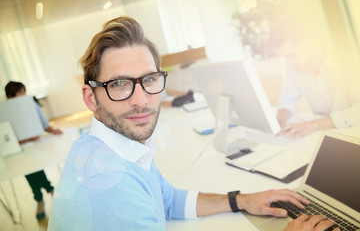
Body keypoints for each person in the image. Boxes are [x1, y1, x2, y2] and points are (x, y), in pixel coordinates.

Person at [48, 16, 338, 231]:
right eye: (120, 84)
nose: (140, 100)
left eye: (149, 79)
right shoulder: (108, 186)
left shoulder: (113, 148)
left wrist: (242, 200)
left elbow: (169, 200)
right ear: (90, 98)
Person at [268, 15, 360, 139]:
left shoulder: (349, 59)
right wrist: (281, 117)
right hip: (330, 135)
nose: (289, 63)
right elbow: (288, 97)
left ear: (310, 43)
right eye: (285, 58)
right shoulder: (294, 66)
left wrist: (312, 125)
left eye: (292, 55)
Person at [5, 81, 63, 220]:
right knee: (28, 170)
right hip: (17, 147)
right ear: (10, 95)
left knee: (33, 168)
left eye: (23, 91)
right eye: (19, 92)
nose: (23, 95)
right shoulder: (5, 110)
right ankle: (50, 190)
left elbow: (44, 124)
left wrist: (52, 130)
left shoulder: (31, 104)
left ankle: (39, 198)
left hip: (35, 144)